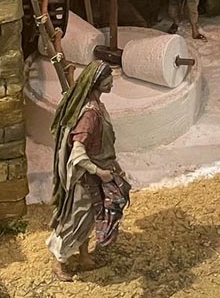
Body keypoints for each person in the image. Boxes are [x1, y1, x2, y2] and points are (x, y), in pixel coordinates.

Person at [47, 61, 131, 280]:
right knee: (76, 220)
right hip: (86, 180)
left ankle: (84, 257)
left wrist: (115, 167)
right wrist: (99, 171)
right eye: (108, 80)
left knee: (89, 218)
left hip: (100, 172)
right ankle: (59, 263)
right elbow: (78, 152)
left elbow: (104, 145)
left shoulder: (97, 106)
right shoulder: (90, 115)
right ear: (96, 83)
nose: (111, 83)